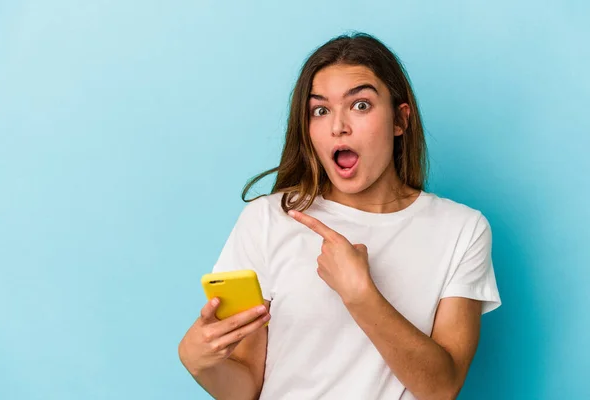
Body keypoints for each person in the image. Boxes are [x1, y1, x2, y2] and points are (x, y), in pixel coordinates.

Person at [178, 32, 501, 400]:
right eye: (320, 110)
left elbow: (442, 388)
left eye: (360, 105)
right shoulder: (268, 219)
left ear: (400, 119)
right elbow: (247, 386)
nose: (338, 127)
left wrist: (360, 294)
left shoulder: (462, 229)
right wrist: (199, 362)